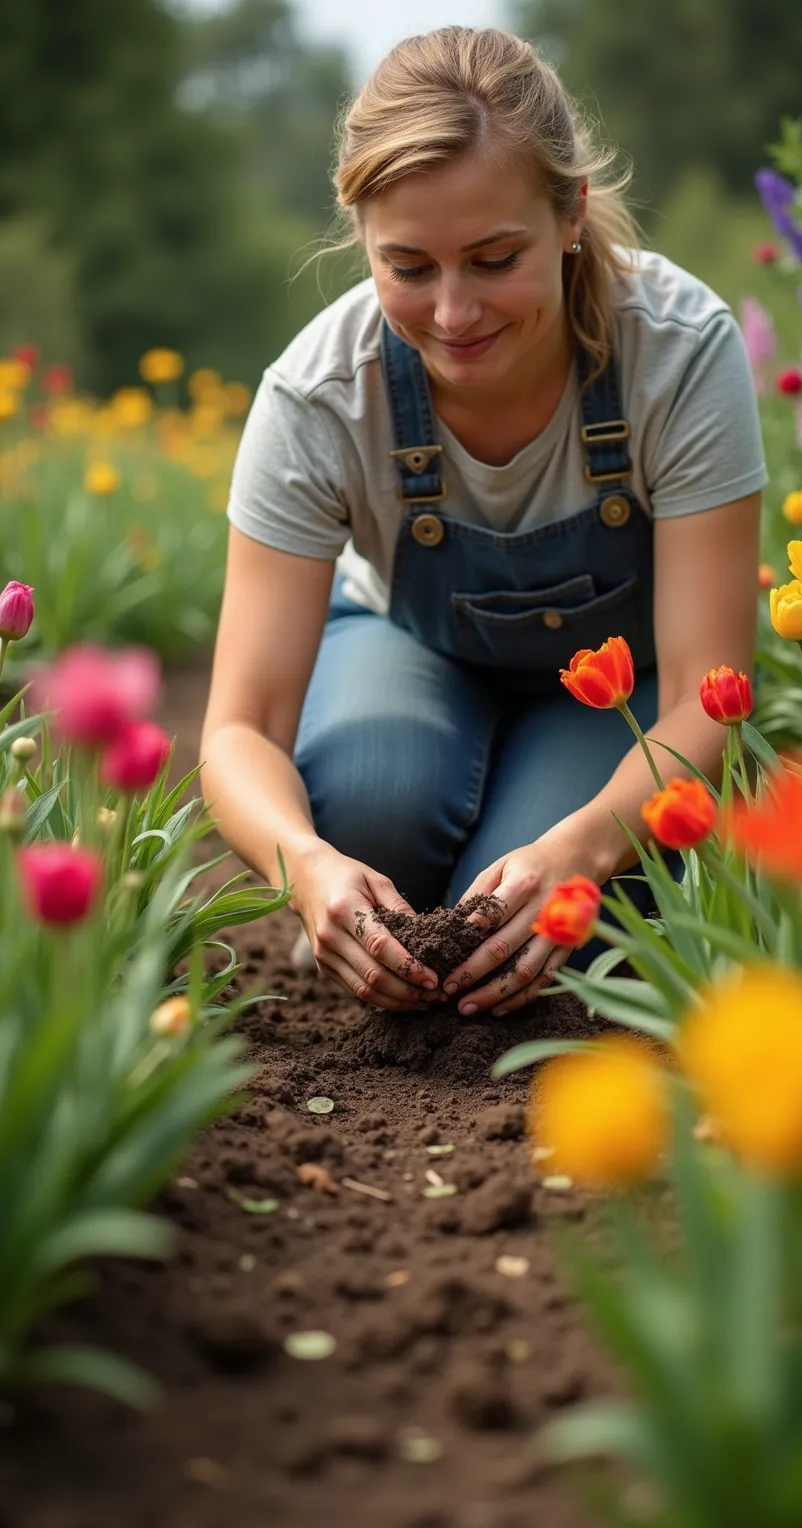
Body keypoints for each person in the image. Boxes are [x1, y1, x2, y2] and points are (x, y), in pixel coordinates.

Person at [200, 25, 765, 1021]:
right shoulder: (322, 394)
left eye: (494, 258)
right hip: (407, 648)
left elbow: (708, 698)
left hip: (617, 693)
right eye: (409, 268)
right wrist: (309, 870)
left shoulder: (678, 352)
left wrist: (580, 847)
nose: (454, 313)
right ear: (362, 240)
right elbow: (238, 730)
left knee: (533, 906)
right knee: (372, 813)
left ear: (572, 215)